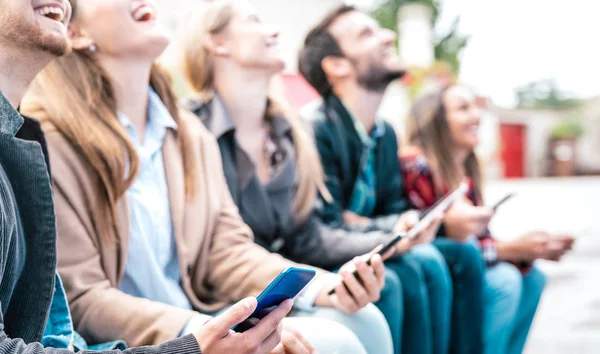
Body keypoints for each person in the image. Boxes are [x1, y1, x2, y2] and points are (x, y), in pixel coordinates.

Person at [20, 0, 388, 353]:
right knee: (337, 343)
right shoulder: (49, 139)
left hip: (202, 319)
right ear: (77, 32)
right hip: (140, 343)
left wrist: (320, 285)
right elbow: (83, 298)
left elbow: (225, 249)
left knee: (363, 318)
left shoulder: (189, 133)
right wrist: (199, 333)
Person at [179, 1, 405, 353]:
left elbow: (306, 233)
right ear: (217, 43)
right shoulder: (187, 130)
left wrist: (377, 244)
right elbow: (209, 254)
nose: (275, 31)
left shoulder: (290, 131)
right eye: (254, 20)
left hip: (280, 288)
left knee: (372, 308)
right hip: (222, 301)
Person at [299, 5, 486, 354]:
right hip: (325, 257)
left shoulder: (384, 133)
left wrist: (390, 224)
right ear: (336, 65)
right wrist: (389, 230)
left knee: (461, 254)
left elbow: (393, 209)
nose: (389, 35)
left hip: (368, 244)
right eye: (367, 34)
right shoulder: (314, 127)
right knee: (413, 268)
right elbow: (322, 228)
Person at [401, 84, 572, 354]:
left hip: (465, 264)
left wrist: (526, 248)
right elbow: (432, 240)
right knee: (505, 280)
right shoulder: (417, 165)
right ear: (434, 119)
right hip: (443, 273)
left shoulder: (464, 174)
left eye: (475, 106)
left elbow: (478, 239)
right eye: (463, 108)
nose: (476, 117)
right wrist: (511, 250)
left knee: (533, 277)